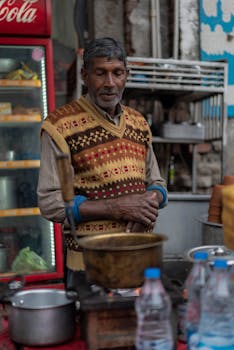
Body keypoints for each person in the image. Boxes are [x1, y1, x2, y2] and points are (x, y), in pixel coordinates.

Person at [37, 37, 168, 283]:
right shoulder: (59, 126)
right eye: (100, 73)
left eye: (117, 73)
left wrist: (145, 208)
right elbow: (50, 203)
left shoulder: (139, 123)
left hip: (138, 256)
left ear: (126, 75)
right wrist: (118, 207)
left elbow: (158, 184)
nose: (110, 83)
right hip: (89, 265)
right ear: (85, 75)